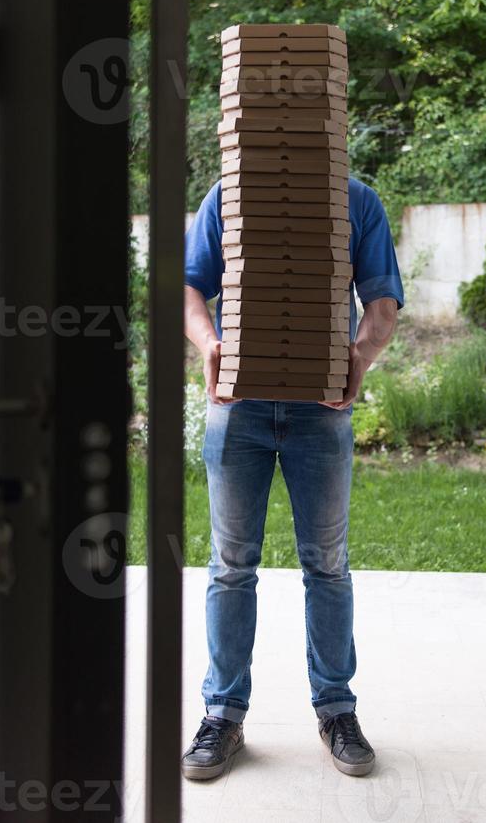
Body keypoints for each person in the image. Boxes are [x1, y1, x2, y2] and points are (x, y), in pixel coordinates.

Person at [181, 175, 404, 781]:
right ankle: (222, 713)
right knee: (230, 563)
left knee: (327, 562)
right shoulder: (227, 197)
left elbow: (381, 300)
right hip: (239, 408)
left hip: (320, 410)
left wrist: (359, 356)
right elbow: (188, 287)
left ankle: (337, 709)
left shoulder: (356, 201)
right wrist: (209, 343)